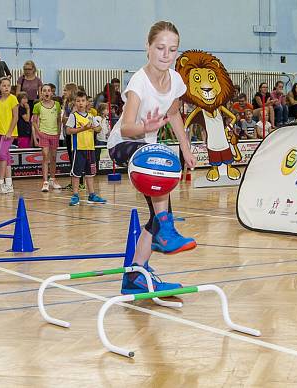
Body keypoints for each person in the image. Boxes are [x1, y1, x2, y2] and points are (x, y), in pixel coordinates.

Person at [106, 21, 197, 294]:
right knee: (158, 163)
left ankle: (135, 277)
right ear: (148, 47)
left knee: (155, 217)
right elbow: (126, 127)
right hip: (124, 144)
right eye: (160, 48)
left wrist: (186, 148)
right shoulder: (138, 82)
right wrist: (146, 128)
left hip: (148, 149)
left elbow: (174, 115)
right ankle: (165, 232)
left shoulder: (176, 80)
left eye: (172, 50)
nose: (166, 55)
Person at [65, 91, 105, 206]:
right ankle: (75, 195)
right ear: (75, 103)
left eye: (83, 101)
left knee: (90, 173)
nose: (80, 103)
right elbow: (68, 131)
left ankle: (92, 194)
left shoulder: (91, 116)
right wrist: (82, 129)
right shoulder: (74, 116)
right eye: (78, 101)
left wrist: (94, 127)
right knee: (76, 173)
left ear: (87, 102)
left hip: (90, 149)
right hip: (79, 149)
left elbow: (98, 129)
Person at [32, 84, 63, 192]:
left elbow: (59, 119)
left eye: (48, 90)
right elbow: (34, 121)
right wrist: (39, 132)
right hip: (44, 134)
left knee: (54, 157)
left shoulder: (57, 105)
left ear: (51, 93)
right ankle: (45, 182)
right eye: (44, 90)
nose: (46, 92)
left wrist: (59, 132)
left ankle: (53, 179)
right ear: (41, 93)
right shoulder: (37, 106)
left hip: (54, 134)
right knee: (45, 156)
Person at [0, 76, 17, 194]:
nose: (6, 88)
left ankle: (0, 183)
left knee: (1, 155)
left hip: (9, 133)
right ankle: (9, 183)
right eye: (4, 85)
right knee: (6, 155)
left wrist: (9, 132)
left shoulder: (13, 99)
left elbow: (15, 117)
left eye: (8, 85)